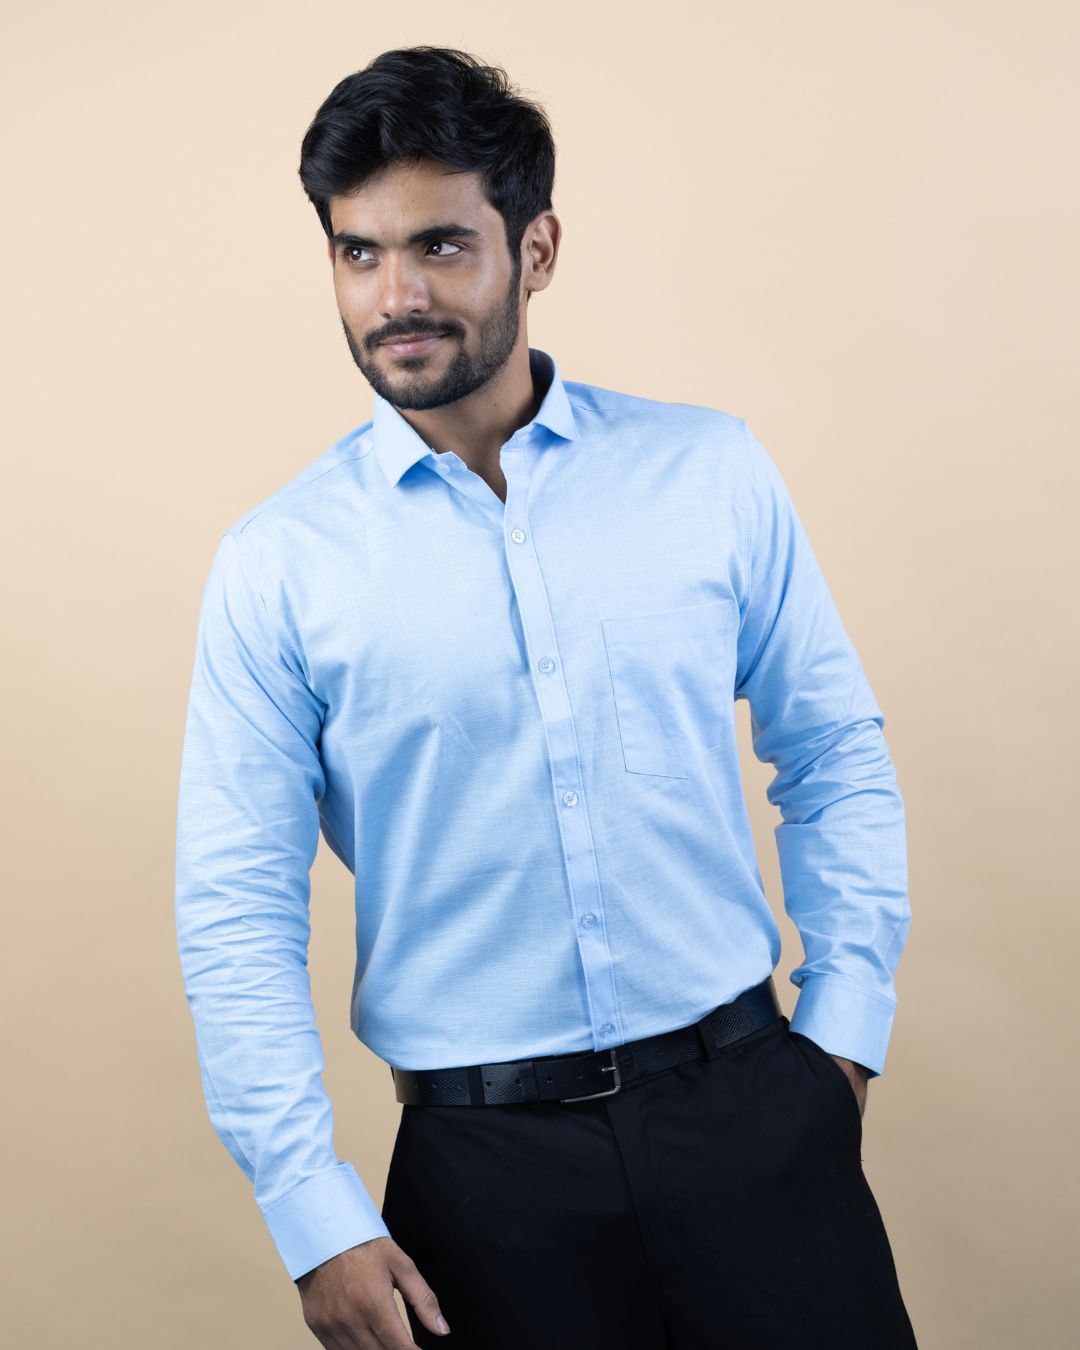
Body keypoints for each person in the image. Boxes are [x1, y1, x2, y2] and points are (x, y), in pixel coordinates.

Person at [174, 44, 919, 1350]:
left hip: (755, 1117)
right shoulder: (278, 567)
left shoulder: (707, 473)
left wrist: (843, 1034)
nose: (396, 295)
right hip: (483, 1184)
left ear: (539, 247)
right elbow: (236, 906)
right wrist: (312, 1212)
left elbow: (833, 751)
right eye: (358, 253)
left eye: (440, 245)